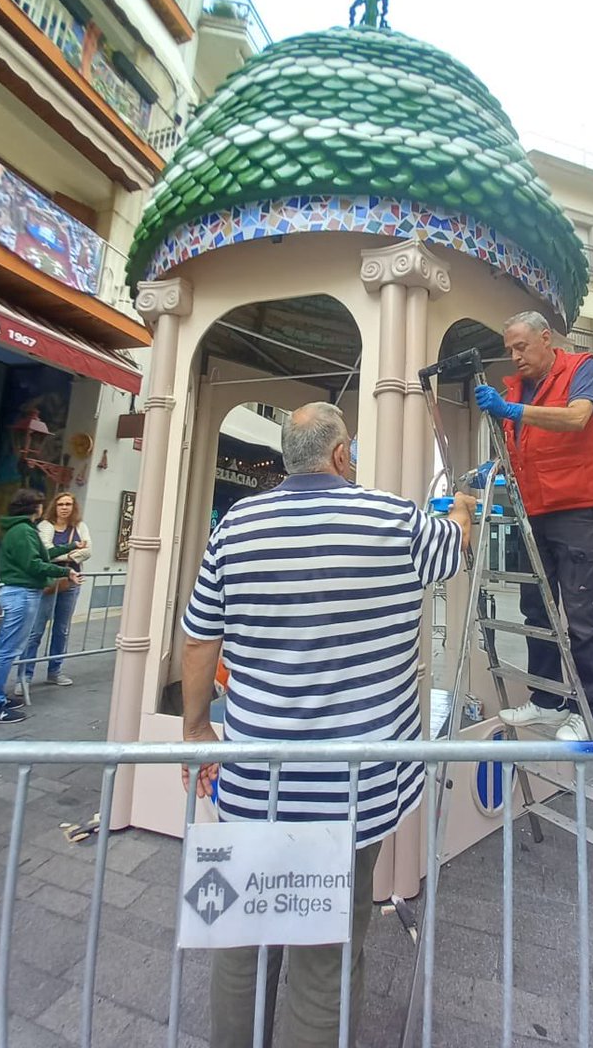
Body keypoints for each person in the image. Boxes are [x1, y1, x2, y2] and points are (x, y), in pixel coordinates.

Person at [180, 401, 474, 1048]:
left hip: (255, 781)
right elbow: (457, 549)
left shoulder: (236, 524)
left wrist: (197, 731)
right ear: (342, 456)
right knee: (325, 956)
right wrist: (462, 508)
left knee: (241, 941)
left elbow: (200, 639)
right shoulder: (396, 519)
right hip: (353, 788)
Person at [475, 310, 593, 741]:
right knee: (536, 607)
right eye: (509, 350)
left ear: (546, 338)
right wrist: (492, 469)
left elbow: (577, 418)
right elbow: (522, 452)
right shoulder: (516, 388)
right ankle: (547, 699)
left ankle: (590, 709)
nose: (514, 356)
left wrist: (514, 409)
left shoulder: (583, 368)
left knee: (579, 613)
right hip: (533, 509)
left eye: (521, 346)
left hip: (578, 507)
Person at [0, 489, 81, 725]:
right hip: (22, 593)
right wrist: (66, 571)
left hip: (18, 592)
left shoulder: (19, 529)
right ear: (33, 507)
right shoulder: (24, 531)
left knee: (2, 649)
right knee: (6, 651)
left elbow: (43, 554)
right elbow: (34, 564)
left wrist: (70, 546)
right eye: (39, 504)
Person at [16, 492, 90, 690]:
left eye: (68, 504)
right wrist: (72, 554)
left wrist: (65, 554)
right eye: (60, 504)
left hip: (71, 582)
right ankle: (24, 676)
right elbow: (46, 552)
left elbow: (88, 551)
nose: (64, 508)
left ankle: (55, 671)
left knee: (62, 629)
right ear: (54, 507)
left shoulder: (80, 527)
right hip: (48, 581)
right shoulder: (44, 526)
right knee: (36, 630)